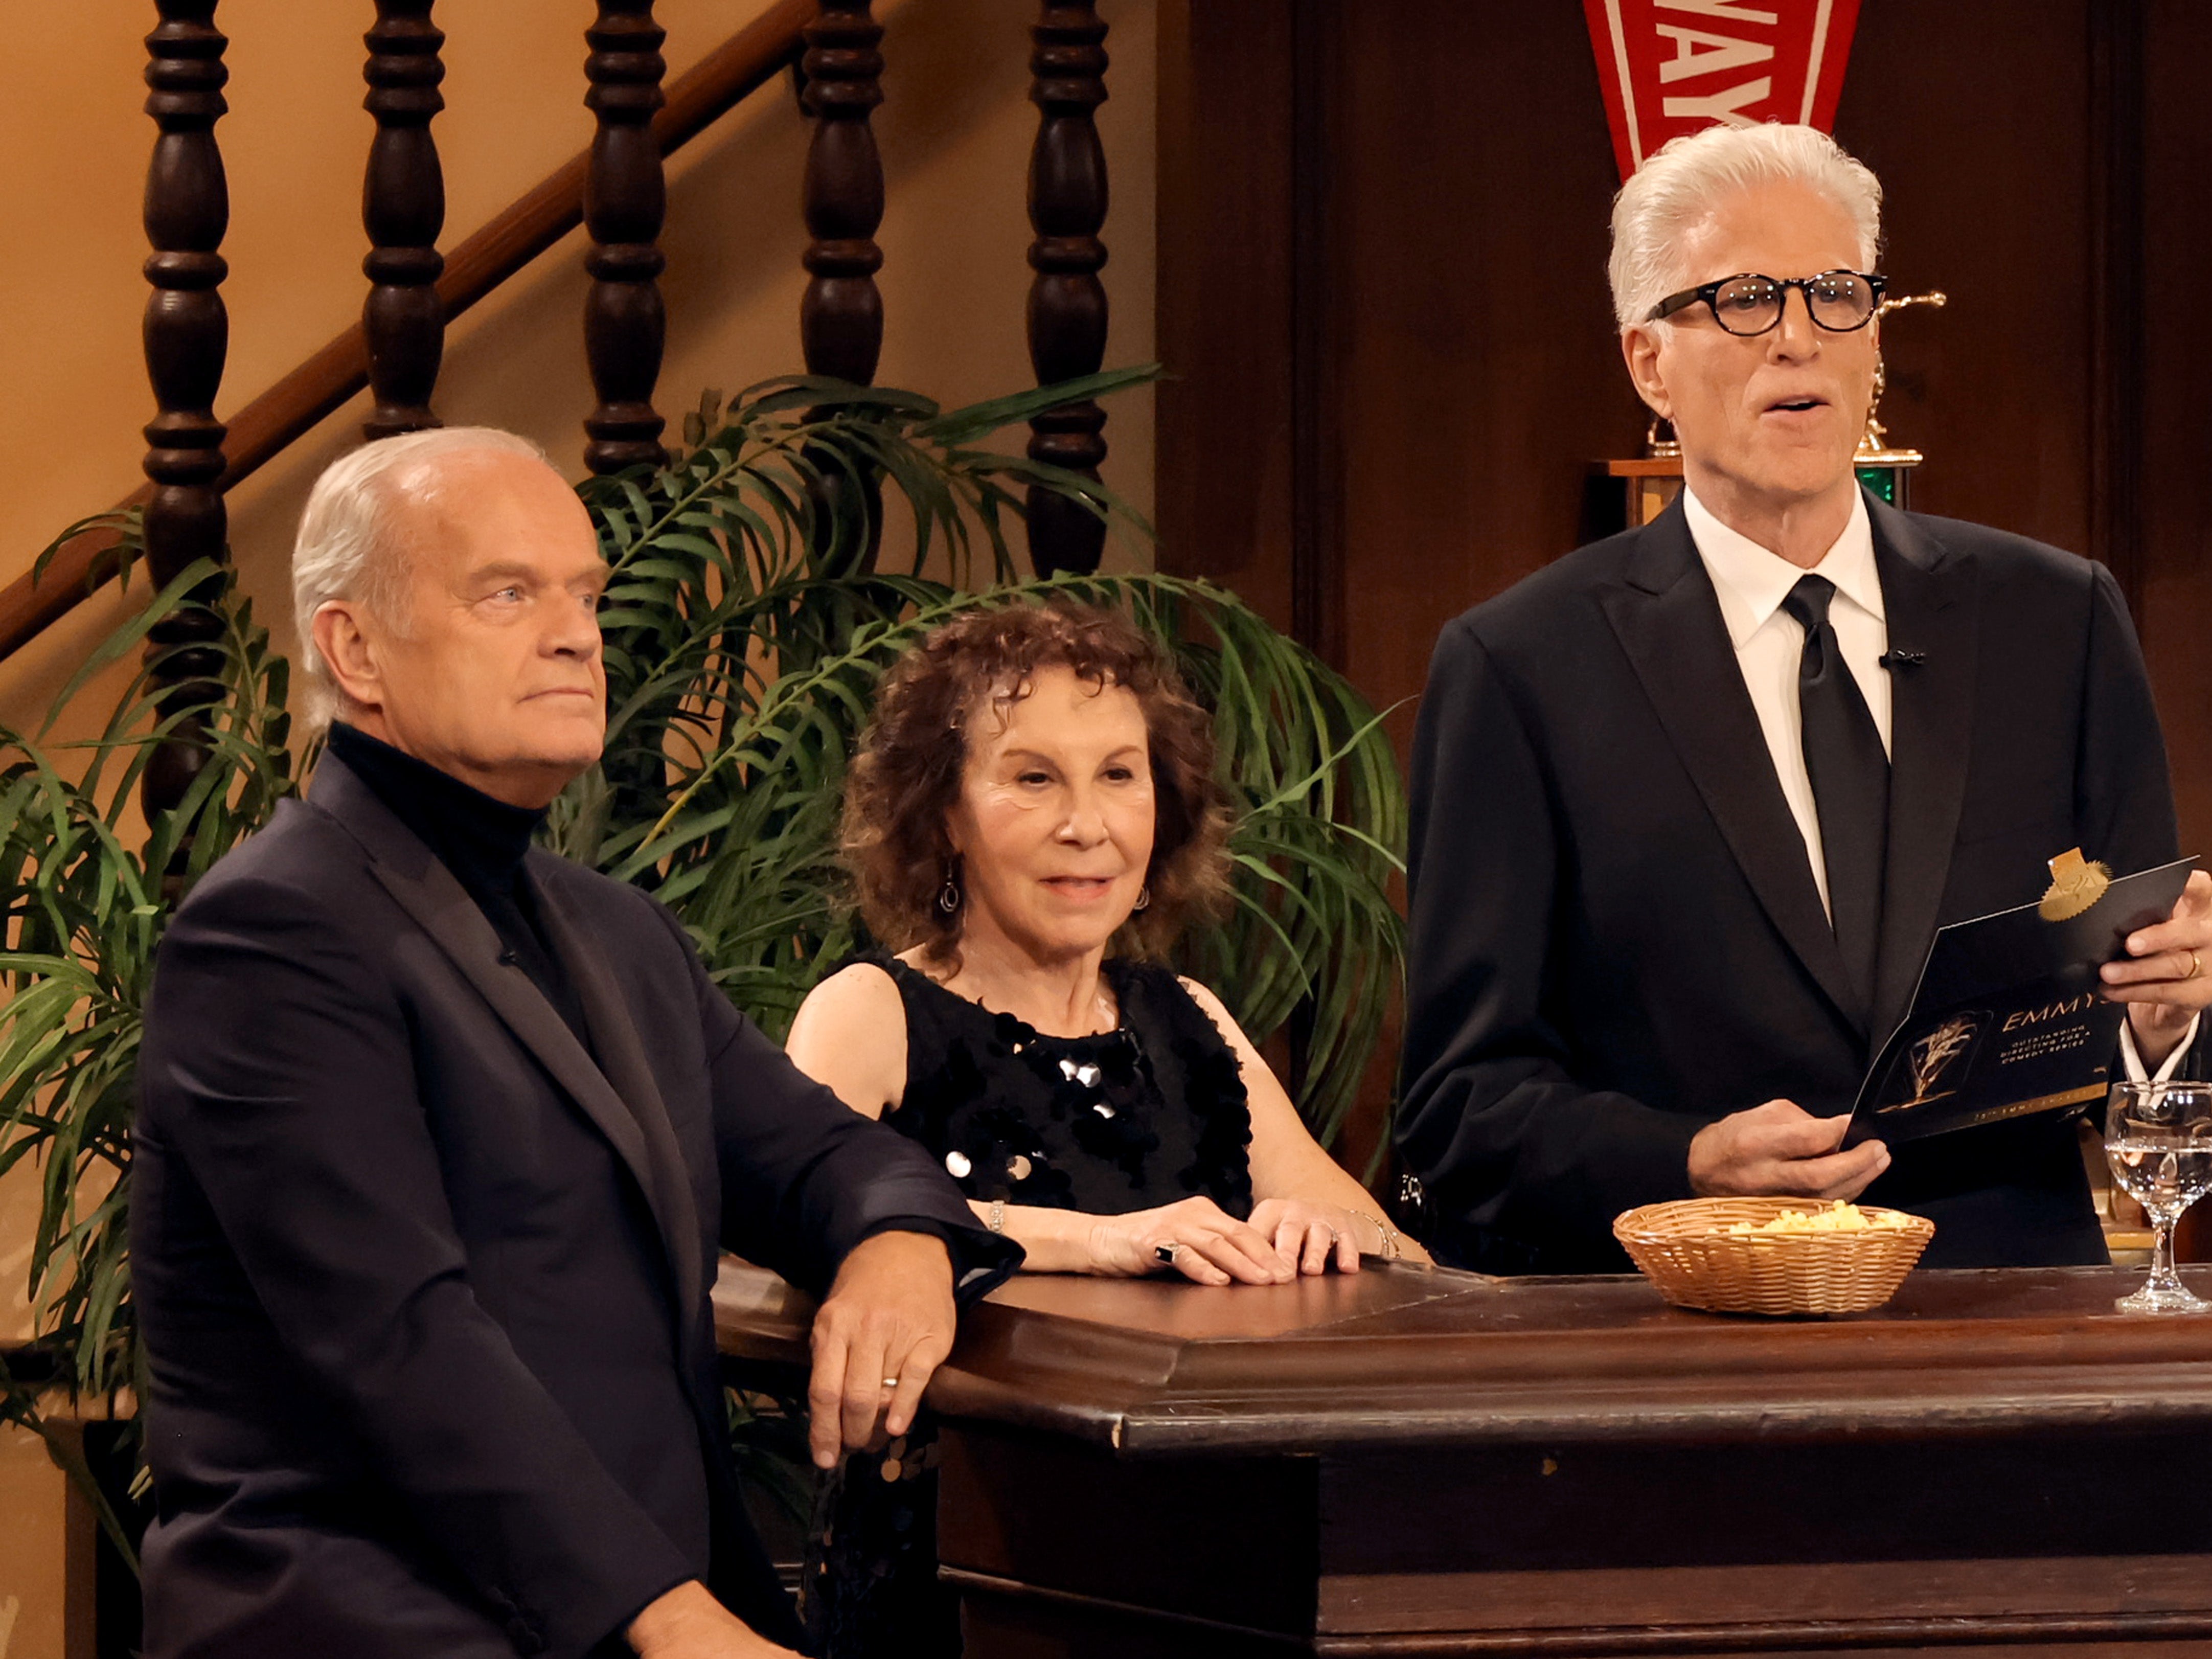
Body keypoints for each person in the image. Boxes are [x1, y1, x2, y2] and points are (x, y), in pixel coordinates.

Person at [131, 428, 1020, 1659]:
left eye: (586, 595)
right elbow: (404, 1345)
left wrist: (898, 1241)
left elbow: (826, 1155)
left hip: (617, 1617)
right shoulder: (272, 932)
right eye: (508, 593)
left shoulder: (619, 932)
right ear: (354, 649)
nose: (576, 633)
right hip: (375, 1621)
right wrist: (675, 1624)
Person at [1396, 122, 2211, 1275]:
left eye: (1835, 295)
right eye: (1739, 300)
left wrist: (2166, 1023)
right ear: (1647, 364)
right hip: (1680, 1334)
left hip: (2002, 1322)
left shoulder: (2055, 620)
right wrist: (1686, 1160)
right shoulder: (1521, 664)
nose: (1796, 339)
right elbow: (1454, 1115)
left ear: (1873, 338)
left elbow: (2141, 1001)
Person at [787, 600, 1425, 1284]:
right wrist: (1098, 1240)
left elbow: (1412, 1259)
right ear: (945, 816)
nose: (1087, 826)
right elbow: (788, 1222)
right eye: (1035, 778)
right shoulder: (870, 1012)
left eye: (1119, 775)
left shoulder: (1187, 1019)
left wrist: (1331, 1229)